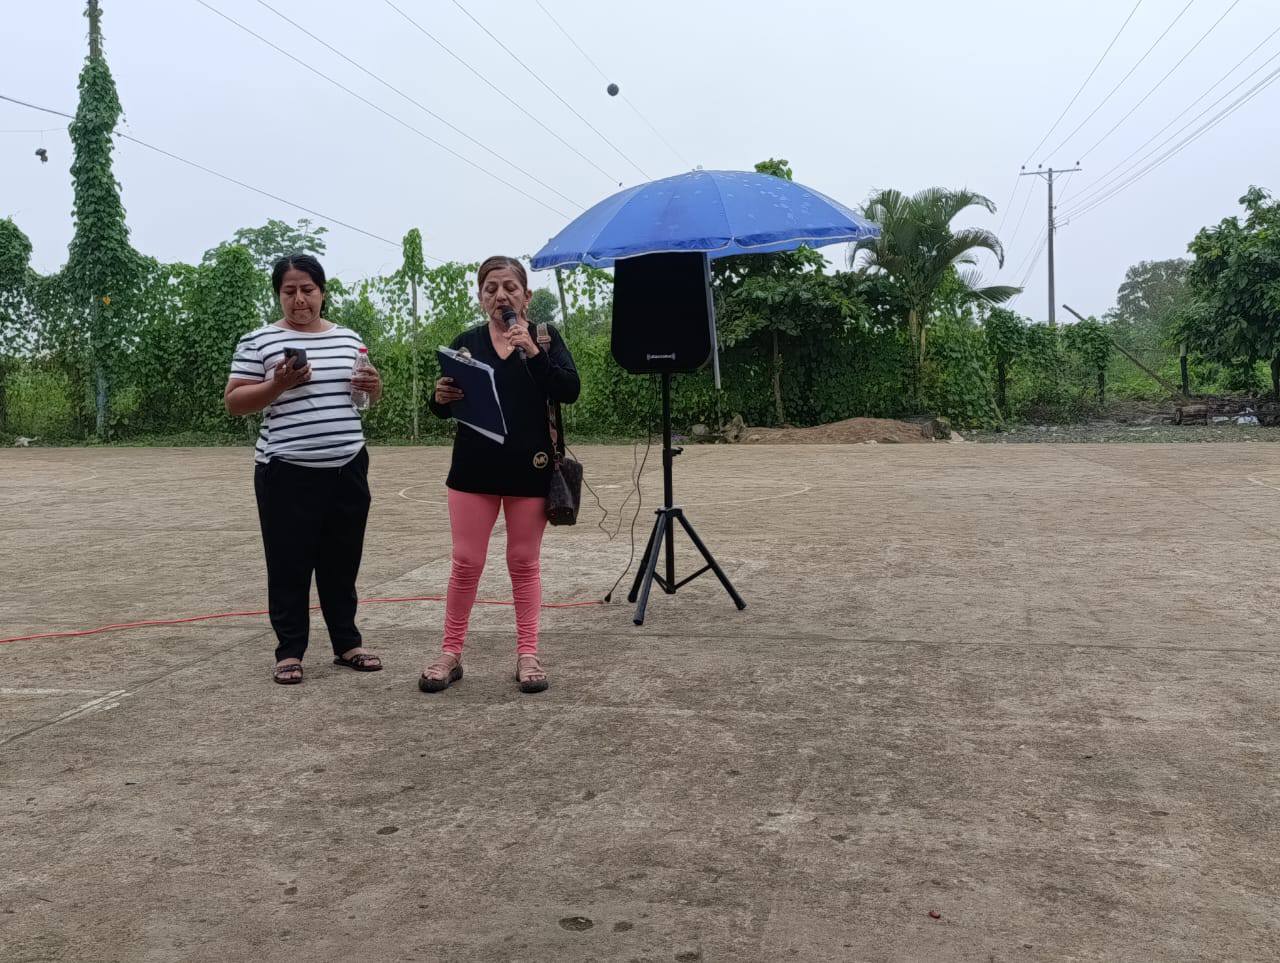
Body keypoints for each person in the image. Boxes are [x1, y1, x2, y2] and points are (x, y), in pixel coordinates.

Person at [420, 255, 580, 694]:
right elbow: (446, 406)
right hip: (473, 470)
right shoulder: (466, 343)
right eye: (490, 288)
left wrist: (533, 352)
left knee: (523, 562)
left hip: (531, 469)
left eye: (510, 287)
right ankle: (450, 653)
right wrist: (439, 398)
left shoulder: (545, 338)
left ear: (527, 296)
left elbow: (569, 389)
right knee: (466, 562)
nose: (500, 296)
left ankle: (528, 654)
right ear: (480, 297)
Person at [224, 254, 384, 685]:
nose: (299, 300)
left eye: (308, 290)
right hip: (286, 470)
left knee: (342, 562)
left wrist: (373, 388)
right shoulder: (259, 341)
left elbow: (364, 400)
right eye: (289, 291)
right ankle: (290, 651)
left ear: (322, 292)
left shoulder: (349, 339)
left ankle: (347, 644)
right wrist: (278, 384)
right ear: (278, 295)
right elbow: (234, 402)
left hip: (348, 467)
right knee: (288, 564)